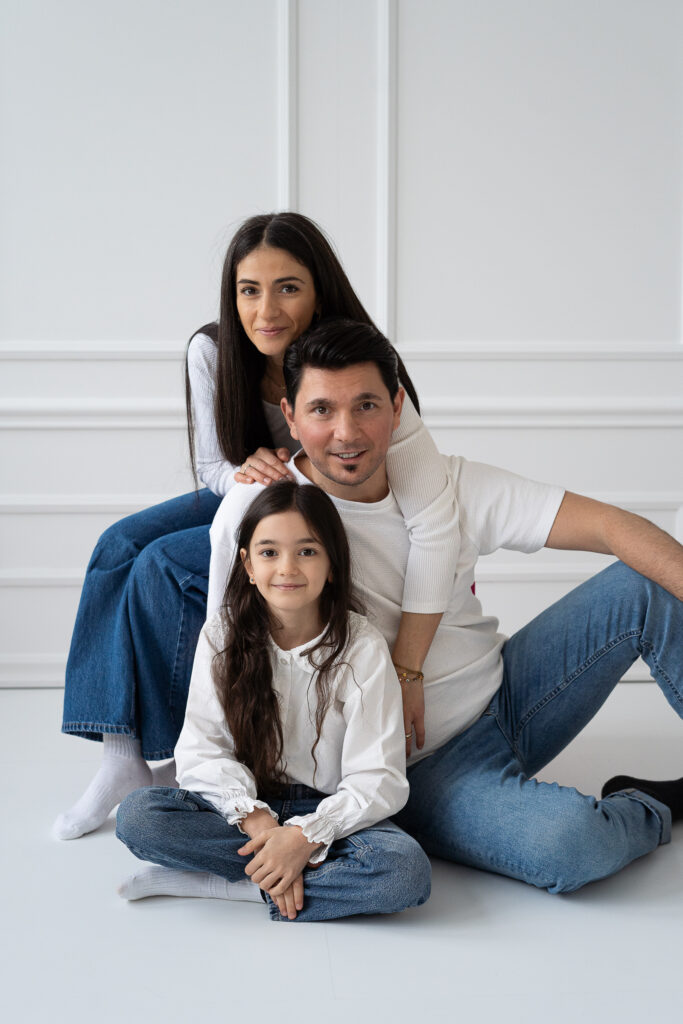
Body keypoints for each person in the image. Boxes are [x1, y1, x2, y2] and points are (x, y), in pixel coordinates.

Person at [208, 317, 683, 895]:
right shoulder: (260, 514)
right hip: (423, 767)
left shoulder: (446, 486)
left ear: (397, 406)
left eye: (366, 405)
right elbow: (227, 659)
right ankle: (650, 806)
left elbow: (610, 526)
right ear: (289, 414)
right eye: (321, 410)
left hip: (513, 694)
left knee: (645, 583)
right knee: (570, 846)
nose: (346, 432)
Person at [54, 211, 459, 841]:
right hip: (247, 492)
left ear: (319, 290)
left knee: (162, 564)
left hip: (313, 504)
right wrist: (251, 472)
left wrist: (409, 665)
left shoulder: (354, 360)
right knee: (120, 545)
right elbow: (211, 467)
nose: (266, 310)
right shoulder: (212, 350)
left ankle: (189, 745)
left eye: (287, 287)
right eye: (249, 290)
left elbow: (428, 509)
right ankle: (121, 757)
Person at [115, 482, 431, 922]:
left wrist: (303, 838)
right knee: (139, 817)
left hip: (329, 815)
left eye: (307, 551)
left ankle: (231, 887)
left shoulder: (363, 647)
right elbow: (202, 750)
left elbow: (378, 776)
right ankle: (288, 878)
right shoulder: (222, 635)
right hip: (245, 811)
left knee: (403, 873)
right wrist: (259, 822)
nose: (287, 568)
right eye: (269, 552)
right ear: (247, 565)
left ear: (332, 564)